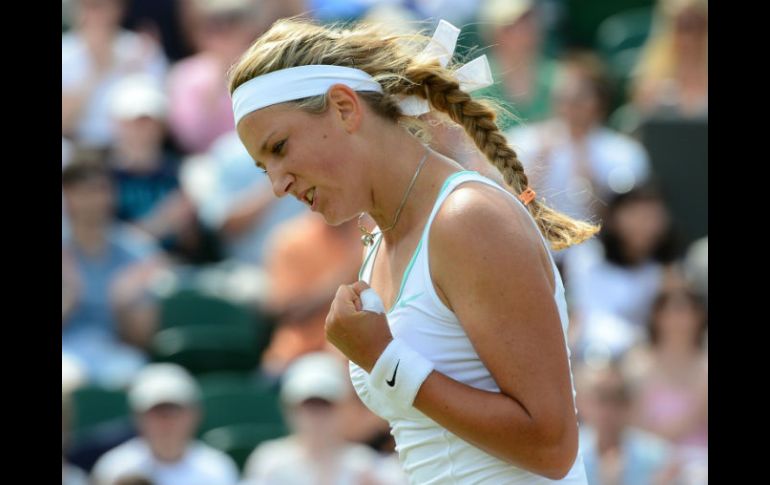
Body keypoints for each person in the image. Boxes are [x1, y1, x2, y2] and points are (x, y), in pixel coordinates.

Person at [227, 17, 598, 483]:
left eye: (280, 147)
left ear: (344, 108)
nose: (278, 185)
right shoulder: (380, 241)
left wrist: (385, 360)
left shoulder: (467, 219)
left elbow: (552, 447)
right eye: (264, 169)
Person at [242, 351, 407, 484]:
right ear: (290, 409)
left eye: (326, 405)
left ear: (343, 408)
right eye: (309, 406)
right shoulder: (269, 462)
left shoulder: (364, 465)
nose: (317, 418)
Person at [90, 363, 239, 485]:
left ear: (194, 415)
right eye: (157, 413)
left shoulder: (218, 469)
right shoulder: (114, 468)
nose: (167, 423)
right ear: (137, 417)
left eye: (174, 412)